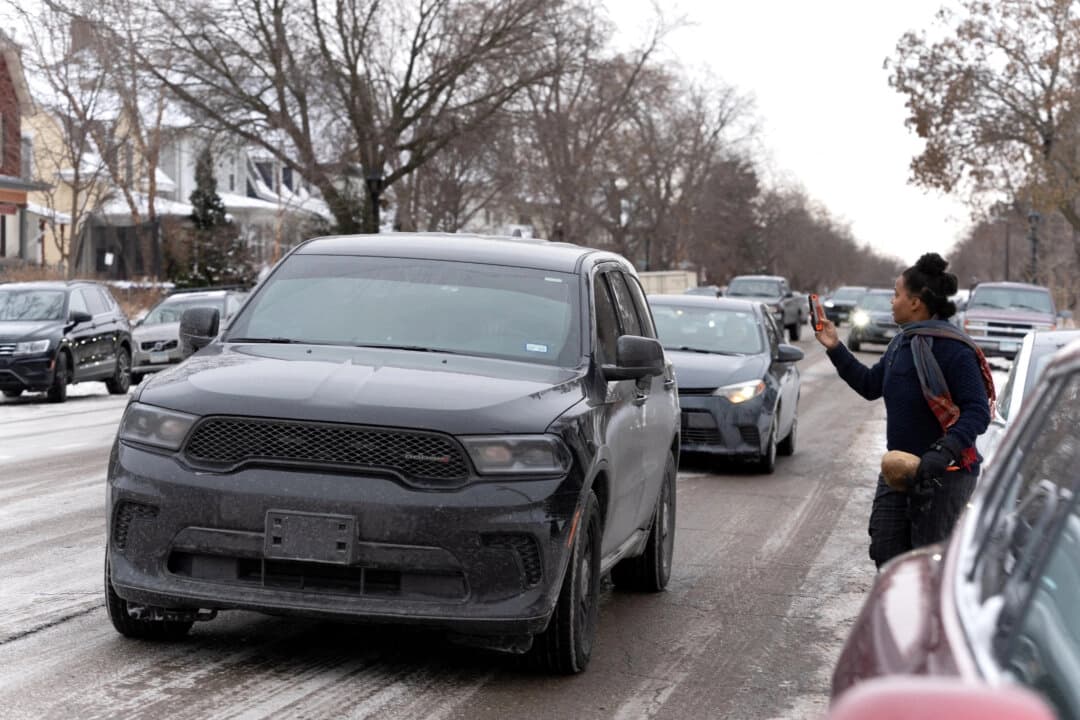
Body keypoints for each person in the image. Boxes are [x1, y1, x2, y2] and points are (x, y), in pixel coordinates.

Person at [813, 253, 994, 568]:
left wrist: (944, 450)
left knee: (924, 566)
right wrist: (834, 347)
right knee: (886, 552)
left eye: (896, 295)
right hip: (899, 470)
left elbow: (977, 410)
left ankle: (922, 618)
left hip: (944, 476)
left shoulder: (953, 348)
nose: (892, 302)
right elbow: (870, 385)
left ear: (917, 302)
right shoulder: (902, 343)